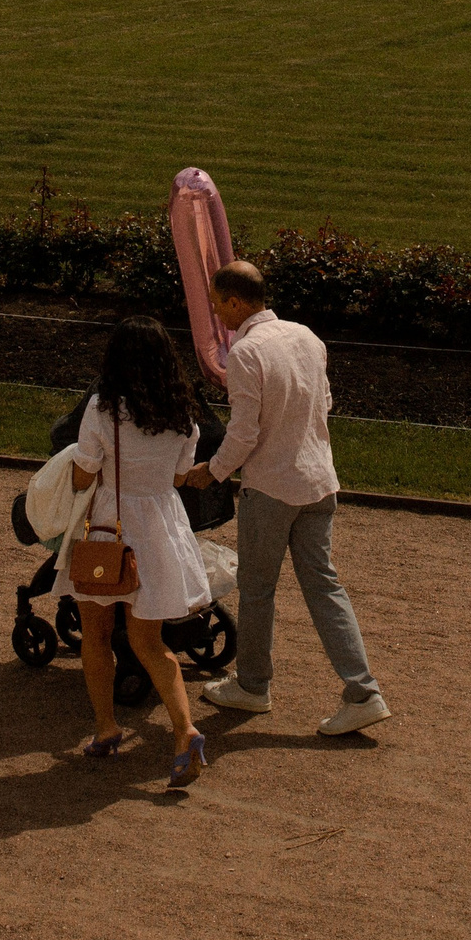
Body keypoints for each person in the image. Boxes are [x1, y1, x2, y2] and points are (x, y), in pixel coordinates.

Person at [188, 260, 391, 736]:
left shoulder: (245, 352)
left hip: (272, 489)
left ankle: (254, 687)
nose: (216, 311)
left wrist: (211, 472)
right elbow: (324, 405)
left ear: (237, 302)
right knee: (325, 586)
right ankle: (363, 691)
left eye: (218, 303)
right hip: (319, 483)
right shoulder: (307, 337)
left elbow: (243, 434)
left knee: (258, 589)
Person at [62, 317, 213, 786]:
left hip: (111, 527)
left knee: (96, 633)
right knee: (151, 642)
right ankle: (184, 729)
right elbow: (179, 477)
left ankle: (106, 727)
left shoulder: (102, 410)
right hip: (161, 527)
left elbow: (84, 473)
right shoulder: (182, 416)